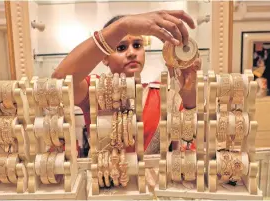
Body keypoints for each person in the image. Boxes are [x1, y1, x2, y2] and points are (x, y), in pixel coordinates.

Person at [52, 10, 201, 155]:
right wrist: (123, 25)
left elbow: (189, 146)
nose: (131, 53)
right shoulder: (94, 90)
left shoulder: (164, 95)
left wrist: (190, 101)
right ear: (104, 57)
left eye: (137, 45)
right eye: (121, 47)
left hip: (155, 179)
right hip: (104, 178)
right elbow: (57, 85)